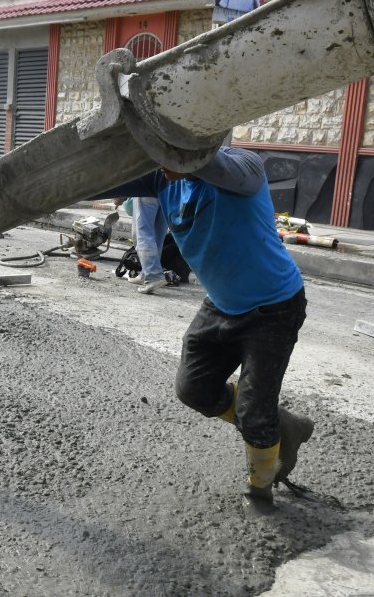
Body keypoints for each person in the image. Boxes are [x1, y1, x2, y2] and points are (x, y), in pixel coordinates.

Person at [100, 146, 314, 508]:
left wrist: (179, 147)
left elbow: (214, 163)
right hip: (221, 304)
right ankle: (285, 425)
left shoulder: (244, 169)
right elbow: (87, 182)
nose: (160, 165)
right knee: (193, 388)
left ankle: (260, 491)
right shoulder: (160, 177)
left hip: (274, 307)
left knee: (253, 408)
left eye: (169, 153)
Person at [129, 196, 168, 294]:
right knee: (158, 233)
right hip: (166, 188)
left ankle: (153, 276)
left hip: (146, 188)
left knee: (142, 233)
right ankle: (145, 273)